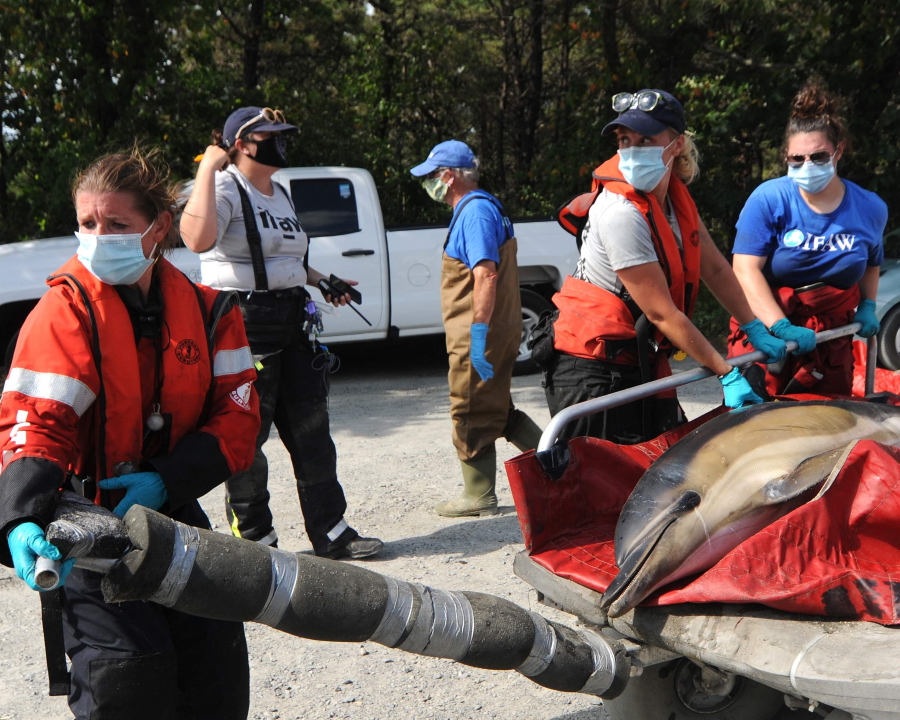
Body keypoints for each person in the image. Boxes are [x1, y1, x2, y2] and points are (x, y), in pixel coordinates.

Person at [0, 147, 260, 718]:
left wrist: (167, 480)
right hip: (87, 523)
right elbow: (36, 421)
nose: (98, 237)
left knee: (214, 664)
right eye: (88, 223)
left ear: (158, 226)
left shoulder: (212, 311)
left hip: (175, 514)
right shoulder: (63, 312)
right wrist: (20, 517)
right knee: (128, 675)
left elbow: (239, 421)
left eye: (116, 224)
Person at [180, 106, 382, 559]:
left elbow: (283, 260)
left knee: (313, 432)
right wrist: (210, 169)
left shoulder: (280, 193)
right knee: (246, 436)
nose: (282, 141)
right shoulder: (226, 185)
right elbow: (196, 240)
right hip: (243, 326)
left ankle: (332, 533)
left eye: (283, 133)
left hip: (291, 321)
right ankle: (255, 541)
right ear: (242, 143)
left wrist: (321, 279)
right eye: (271, 134)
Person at [538, 88, 790, 444]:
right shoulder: (619, 214)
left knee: (668, 468)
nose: (632, 149)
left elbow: (715, 268)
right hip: (589, 368)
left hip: (634, 359)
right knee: (600, 488)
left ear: (676, 144)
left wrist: (755, 325)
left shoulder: (674, 198)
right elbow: (661, 314)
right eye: (625, 140)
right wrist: (725, 373)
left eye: (645, 139)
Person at [410, 140, 544, 517]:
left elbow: (486, 275)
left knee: (470, 407)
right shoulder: (485, 206)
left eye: (432, 176)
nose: (429, 184)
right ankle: (561, 463)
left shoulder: (474, 213)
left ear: (449, 177)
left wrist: (479, 334)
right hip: (497, 327)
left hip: (480, 332)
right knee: (498, 408)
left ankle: (479, 494)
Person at [731, 81, 886, 397]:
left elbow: (872, 260)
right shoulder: (769, 200)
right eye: (796, 159)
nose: (806, 166)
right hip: (768, 332)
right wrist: (779, 325)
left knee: (826, 425)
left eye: (818, 156)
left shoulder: (869, 207)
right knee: (757, 428)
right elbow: (744, 269)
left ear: (838, 151)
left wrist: (868, 305)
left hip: (829, 340)